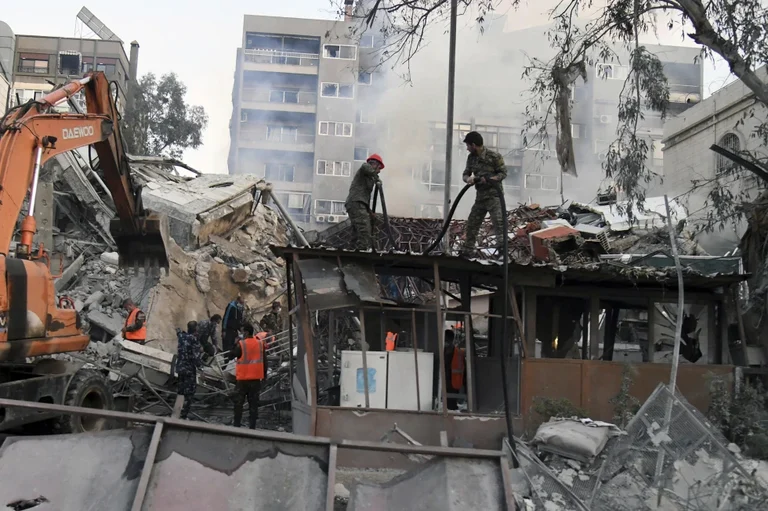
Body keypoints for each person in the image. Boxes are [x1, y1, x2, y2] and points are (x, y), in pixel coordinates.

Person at [460, 131, 507, 255]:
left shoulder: (494, 156)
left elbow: (503, 173)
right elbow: (465, 174)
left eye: (468, 145)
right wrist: (468, 179)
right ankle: (468, 250)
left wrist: (490, 179)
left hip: (494, 197)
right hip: (480, 198)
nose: (467, 148)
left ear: (474, 145)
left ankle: (503, 252)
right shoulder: (471, 158)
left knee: (499, 224)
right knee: (472, 223)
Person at [230, 323, 267, 429]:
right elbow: (265, 361)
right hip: (255, 380)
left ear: (246, 332)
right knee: (253, 404)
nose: (242, 334)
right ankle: (252, 427)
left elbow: (232, 355)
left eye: (242, 332)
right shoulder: (260, 344)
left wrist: (234, 344)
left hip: (243, 380)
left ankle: (237, 425)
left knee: (238, 403)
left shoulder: (242, 344)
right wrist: (264, 376)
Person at [345, 154, 384, 250]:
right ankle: (362, 254)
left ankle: (352, 253)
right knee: (364, 229)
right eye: (379, 168)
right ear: (374, 164)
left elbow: (365, 198)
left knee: (357, 232)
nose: (379, 171)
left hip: (359, 203)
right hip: (356, 202)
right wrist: (377, 178)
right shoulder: (364, 168)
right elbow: (366, 166)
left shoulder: (369, 178)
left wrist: (370, 212)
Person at [176, 321, 201, 420]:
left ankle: (177, 412)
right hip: (189, 369)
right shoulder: (194, 340)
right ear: (195, 329)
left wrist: (178, 331)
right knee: (189, 393)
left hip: (180, 367)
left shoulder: (182, 337)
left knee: (180, 391)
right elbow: (196, 357)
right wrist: (201, 368)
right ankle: (183, 416)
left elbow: (179, 334)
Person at [443, 330, 465, 411]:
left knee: (451, 406)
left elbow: (464, 371)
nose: (446, 342)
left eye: (447, 340)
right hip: (442, 382)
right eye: (445, 339)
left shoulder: (459, 353)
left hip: (453, 384)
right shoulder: (441, 351)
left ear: (452, 340)